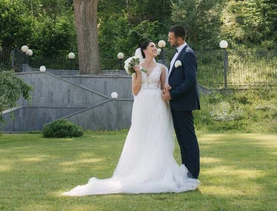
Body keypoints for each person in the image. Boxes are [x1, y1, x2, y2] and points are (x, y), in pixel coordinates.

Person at [63, 39, 199, 196]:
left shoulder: (162, 68)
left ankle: (158, 168)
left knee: (158, 136)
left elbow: (163, 88)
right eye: (152, 46)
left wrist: (167, 89)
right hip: (142, 104)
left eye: (155, 46)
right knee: (141, 135)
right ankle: (141, 168)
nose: (155, 48)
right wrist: (139, 74)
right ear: (144, 50)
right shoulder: (136, 68)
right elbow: (135, 91)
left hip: (158, 105)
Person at [162, 25, 200, 180]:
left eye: (171, 38)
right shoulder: (178, 54)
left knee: (188, 140)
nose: (168, 40)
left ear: (179, 38)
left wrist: (172, 94)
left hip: (184, 104)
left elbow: (191, 81)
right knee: (182, 140)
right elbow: (179, 78)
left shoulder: (188, 54)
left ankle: (193, 174)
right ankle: (186, 171)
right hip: (177, 105)